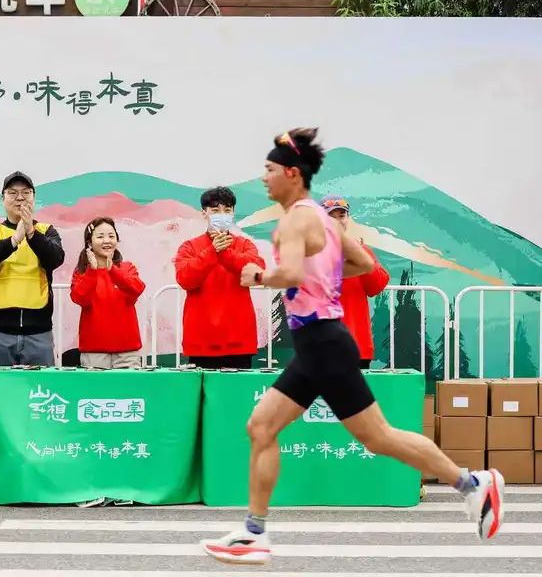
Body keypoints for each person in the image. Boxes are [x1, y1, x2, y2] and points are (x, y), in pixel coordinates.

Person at [201, 129, 504, 566]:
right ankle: (254, 532)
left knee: (378, 437)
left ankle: (473, 485)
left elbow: (289, 273)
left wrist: (258, 276)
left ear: (292, 174)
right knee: (261, 426)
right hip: (316, 344)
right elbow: (362, 262)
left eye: (269, 170)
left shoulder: (296, 220)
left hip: (324, 344)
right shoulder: (322, 221)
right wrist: (323, 274)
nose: (264, 178)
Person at [0, 172, 66, 368]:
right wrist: (14, 240)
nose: (20, 198)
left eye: (26, 192)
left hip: (38, 331)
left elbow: (55, 258)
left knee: (41, 386)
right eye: (13, 193)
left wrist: (31, 233)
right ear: (2, 199)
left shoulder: (47, 231)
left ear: (34, 198)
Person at [174, 186, 267, 369]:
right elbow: (185, 279)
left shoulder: (244, 244)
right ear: (204, 213)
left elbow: (257, 273)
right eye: (215, 210)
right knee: (202, 389)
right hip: (202, 341)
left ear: (233, 213)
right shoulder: (189, 247)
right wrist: (212, 251)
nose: (222, 215)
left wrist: (225, 253)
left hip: (239, 340)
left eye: (227, 210)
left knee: (237, 387)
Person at [320, 195, 389, 370]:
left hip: (357, 345)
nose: (337, 221)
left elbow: (376, 286)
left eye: (341, 216)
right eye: (331, 217)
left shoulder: (360, 251)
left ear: (348, 218)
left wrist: (362, 256)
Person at [70, 217, 147, 369]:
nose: (107, 241)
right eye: (100, 236)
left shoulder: (127, 268)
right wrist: (92, 272)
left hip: (127, 352)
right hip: (94, 353)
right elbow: (80, 298)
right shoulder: (82, 272)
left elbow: (137, 288)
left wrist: (113, 270)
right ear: (89, 243)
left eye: (111, 236)